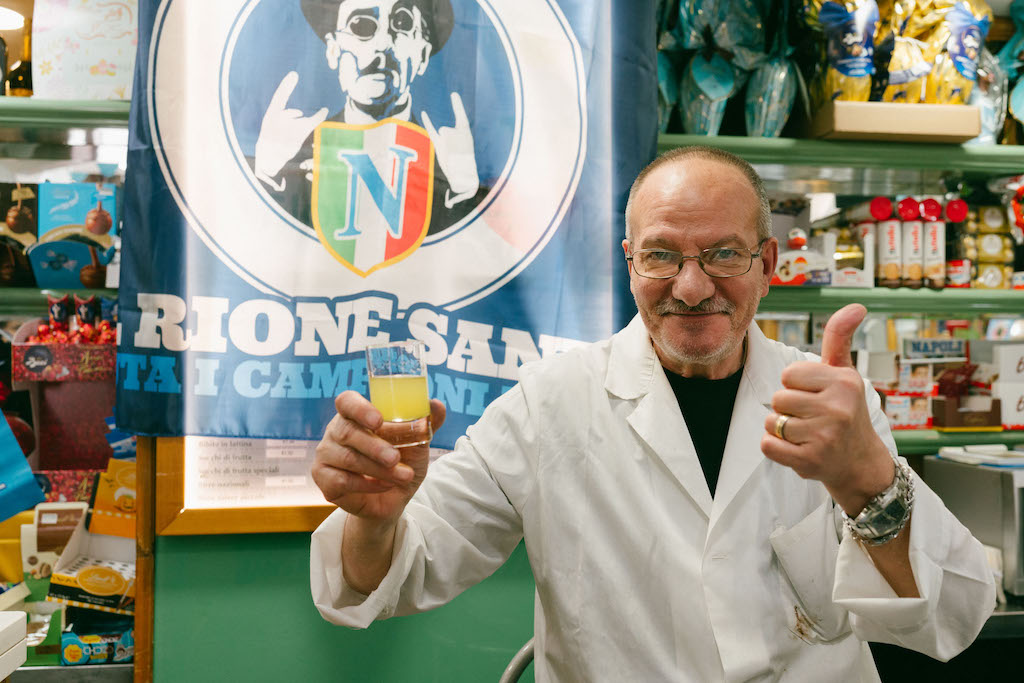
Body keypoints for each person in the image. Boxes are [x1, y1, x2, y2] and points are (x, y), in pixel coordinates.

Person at [310, 146, 995, 681]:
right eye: (663, 255)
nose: (691, 288)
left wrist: (868, 481)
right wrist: (376, 517)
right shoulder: (552, 401)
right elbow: (398, 573)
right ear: (630, 261)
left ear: (768, 263)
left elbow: (954, 615)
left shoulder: (834, 402)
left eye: (723, 254)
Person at [252, 0, 486, 235]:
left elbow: (460, 252)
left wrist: (462, 191)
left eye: (401, 24)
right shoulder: (295, 154)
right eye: (362, 25)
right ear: (333, 52)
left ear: (422, 55)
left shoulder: (448, 164)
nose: (383, 44)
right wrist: (268, 173)